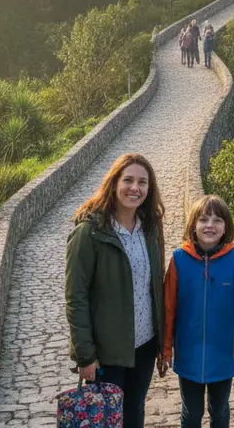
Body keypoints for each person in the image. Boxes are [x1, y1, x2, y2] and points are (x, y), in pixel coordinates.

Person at [65, 153, 167, 428]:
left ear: (149, 189)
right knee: (107, 420)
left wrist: (162, 342)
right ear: (114, 183)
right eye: (129, 180)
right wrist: (85, 355)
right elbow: (76, 297)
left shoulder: (150, 228)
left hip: (144, 345)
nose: (135, 188)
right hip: (106, 351)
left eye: (143, 182)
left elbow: (156, 285)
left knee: (134, 412)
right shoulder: (90, 233)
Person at [163, 194, 234, 428]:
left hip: (224, 353)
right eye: (204, 219)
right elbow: (168, 308)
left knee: (220, 411)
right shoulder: (178, 260)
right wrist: (166, 349)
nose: (210, 225)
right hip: (188, 353)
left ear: (226, 226)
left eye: (217, 220)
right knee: (191, 413)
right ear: (193, 226)